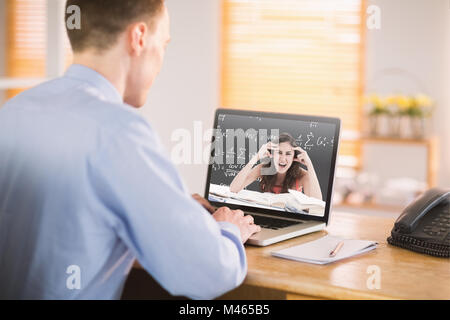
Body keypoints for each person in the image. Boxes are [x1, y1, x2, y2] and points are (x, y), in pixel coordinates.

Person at [0, 0, 260, 299]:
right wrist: (228, 230)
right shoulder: (118, 131)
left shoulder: (15, 110)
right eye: (163, 44)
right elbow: (207, 273)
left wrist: (169, 207)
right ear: (139, 37)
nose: (161, 58)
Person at [230, 133, 323, 200]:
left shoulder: (302, 175)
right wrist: (256, 157)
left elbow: (317, 204)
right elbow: (233, 189)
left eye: (288, 154)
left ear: (294, 157)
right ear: (273, 154)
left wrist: (310, 165)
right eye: (279, 152)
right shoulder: (263, 168)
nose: (283, 159)